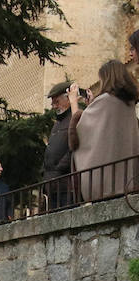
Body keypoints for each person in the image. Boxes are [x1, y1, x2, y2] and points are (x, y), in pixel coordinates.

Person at [69, 59, 139, 200]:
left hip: (105, 184)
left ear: (106, 78)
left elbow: (80, 129)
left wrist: (73, 103)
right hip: (127, 180)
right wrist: (94, 105)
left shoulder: (106, 100)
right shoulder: (129, 103)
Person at [43, 81, 74, 208]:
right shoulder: (57, 124)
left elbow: (74, 147)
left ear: (67, 99)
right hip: (52, 184)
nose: (54, 106)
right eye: (52, 103)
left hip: (65, 184)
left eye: (56, 102)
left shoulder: (74, 117)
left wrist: (59, 168)